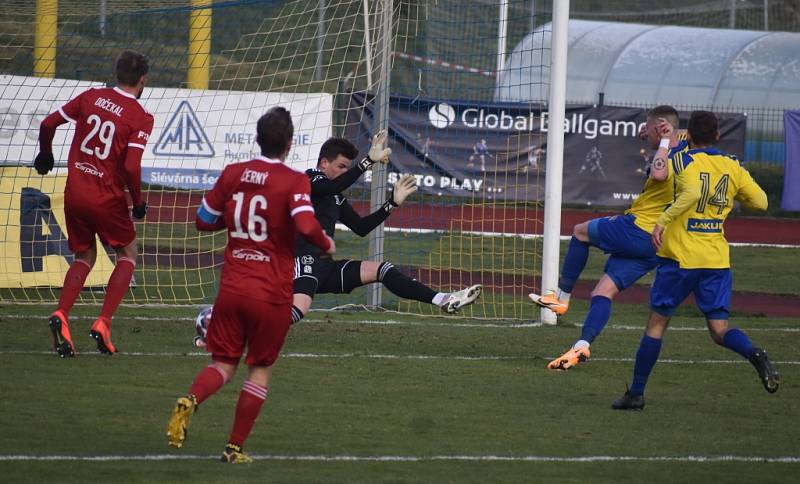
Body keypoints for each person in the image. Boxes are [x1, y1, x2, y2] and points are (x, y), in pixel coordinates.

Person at [166, 107, 335, 463]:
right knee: (259, 369)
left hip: (231, 289)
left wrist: (232, 219)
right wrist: (326, 243)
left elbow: (202, 220)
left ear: (257, 138)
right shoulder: (293, 180)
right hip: (270, 293)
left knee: (224, 364)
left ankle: (192, 399)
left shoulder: (233, 173)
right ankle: (234, 447)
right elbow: (306, 225)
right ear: (290, 144)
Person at [612, 111, 779, 410]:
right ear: (718, 136)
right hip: (715, 260)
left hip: (680, 258)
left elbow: (676, 184)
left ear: (689, 136)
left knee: (656, 325)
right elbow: (762, 202)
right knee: (719, 330)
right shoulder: (732, 166)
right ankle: (754, 353)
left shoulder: (682, 160)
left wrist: (663, 220)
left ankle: (635, 393)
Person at [529, 105, 687, 370]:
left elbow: (660, 172)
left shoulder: (666, 151)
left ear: (660, 126)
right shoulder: (688, 152)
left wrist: (660, 139)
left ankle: (562, 297)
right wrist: (659, 133)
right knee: (603, 291)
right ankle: (581, 346)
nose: (645, 134)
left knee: (580, 231)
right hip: (658, 243)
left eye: (648, 128)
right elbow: (690, 133)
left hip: (638, 227)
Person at [290, 131, 482, 326]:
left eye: (347, 168)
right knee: (297, 311)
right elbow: (330, 187)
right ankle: (258, 326)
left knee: (383, 270)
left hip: (325, 268)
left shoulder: (336, 197)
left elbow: (361, 227)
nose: (344, 172)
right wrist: (367, 162)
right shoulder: (309, 180)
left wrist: (392, 204)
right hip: (302, 263)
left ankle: (443, 299)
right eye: (341, 167)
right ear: (324, 163)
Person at [34, 50, 153, 357]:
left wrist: (45, 154)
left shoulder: (90, 97)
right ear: (143, 80)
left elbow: (47, 124)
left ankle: (61, 313)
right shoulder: (141, 117)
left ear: (117, 73)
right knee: (127, 254)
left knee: (84, 257)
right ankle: (103, 322)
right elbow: (130, 167)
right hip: (107, 197)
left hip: (75, 192)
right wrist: (138, 202)